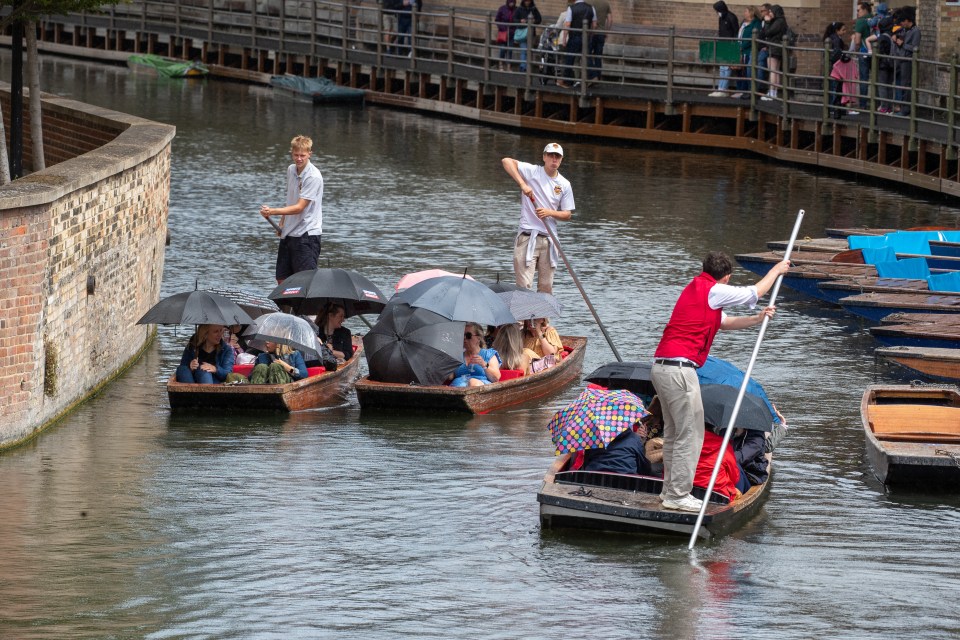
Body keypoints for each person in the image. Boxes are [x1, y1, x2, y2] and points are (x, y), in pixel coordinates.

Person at [650, 251, 789, 512]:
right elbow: (755, 292)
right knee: (690, 434)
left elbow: (723, 322)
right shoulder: (713, 290)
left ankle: (669, 490)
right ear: (726, 277)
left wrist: (757, 319)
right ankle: (678, 495)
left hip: (662, 367)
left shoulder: (695, 289)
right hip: (680, 370)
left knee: (674, 432)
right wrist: (777, 270)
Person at [501, 143, 575, 294]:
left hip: (549, 239)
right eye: (551, 155)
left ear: (561, 160)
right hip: (528, 236)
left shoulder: (565, 184)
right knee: (524, 286)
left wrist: (550, 212)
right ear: (544, 157)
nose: (554, 159)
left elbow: (567, 214)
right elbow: (506, 161)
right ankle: (522, 318)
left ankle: (543, 318)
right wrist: (522, 184)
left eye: (557, 156)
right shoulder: (532, 171)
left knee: (546, 287)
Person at [260, 134, 324, 285]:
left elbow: (300, 207)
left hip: (307, 235)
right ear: (292, 153)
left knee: (304, 282)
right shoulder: (291, 170)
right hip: (289, 232)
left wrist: (272, 211)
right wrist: (282, 223)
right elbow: (291, 199)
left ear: (310, 154)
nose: (299, 159)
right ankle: (285, 308)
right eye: (296, 155)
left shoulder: (313, 176)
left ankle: (304, 309)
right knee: (282, 279)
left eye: (303, 155)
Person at [693, 423, 743, 501]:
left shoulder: (686, 441)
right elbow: (735, 477)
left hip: (689, 491)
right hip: (718, 495)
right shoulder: (723, 444)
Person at [556, 0, 596, 88]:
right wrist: (590, 35)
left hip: (574, 36)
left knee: (569, 58)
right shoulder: (591, 8)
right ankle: (593, 76)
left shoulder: (571, 8)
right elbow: (594, 24)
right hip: (586, 36)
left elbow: (567, 24)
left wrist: (564, 39)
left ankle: (566, 80)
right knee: (586, 56)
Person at [449, 322, 502, 387]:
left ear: (479, 338)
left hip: (479, 389)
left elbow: (496, 378)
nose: (464, 338)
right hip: (457, 390)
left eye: (468, 335)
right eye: (462, 335)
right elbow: (450, 377)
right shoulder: (458, 356)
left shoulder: (488, 354)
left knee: (473, 382)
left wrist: (484, 364)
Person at [583, 427, 653, 475]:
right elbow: (644, 468)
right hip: (626, 483)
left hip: (594, 480)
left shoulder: (593, 437)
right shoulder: (634, 439)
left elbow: (586, 462)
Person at [708, 1, 740, 97]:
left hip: (729, 45)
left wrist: (734, 46)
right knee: (722, 68)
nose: (717, 12)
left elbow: (735, 32)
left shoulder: (731, 17)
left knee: (726, 68)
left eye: (717, 10)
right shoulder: (721, 18)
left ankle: (724, 89)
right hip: (722, 44)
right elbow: (721, 31)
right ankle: (720, 88)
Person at [866, 16, 897, 113]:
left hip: (883, 65)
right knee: (889, 85)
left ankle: (884, 106)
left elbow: (879, 51)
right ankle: (889, 107)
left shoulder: (882, 38)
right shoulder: (892, 37)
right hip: (892, 63)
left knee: (882, 85)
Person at [824, 22, 854, 119]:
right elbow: (837, 52)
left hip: (832, 66)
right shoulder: (836, 40)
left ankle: (835, 108)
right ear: (837, 30)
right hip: (836, 67)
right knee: (836, 87)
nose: (845, 32)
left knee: (834, 87)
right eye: (843, 30)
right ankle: (835, 108)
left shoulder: (832, 38)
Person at [758, 4, 787, 101]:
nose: (769, 13)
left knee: (772, 71)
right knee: (776, 71)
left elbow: (768, 32)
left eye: (771, 12)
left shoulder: (779, 22)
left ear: (776, 12)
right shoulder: (781, 21)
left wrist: (767, 22)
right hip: (777, 47)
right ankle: (774, 93)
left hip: (774, 47)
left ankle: (771, 93)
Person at [894, 6, 919, 117]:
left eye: (903, 22)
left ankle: (905, 109)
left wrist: (902, 44)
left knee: (906, 85)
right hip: (902, 59)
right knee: (903, 85)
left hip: (908, 60)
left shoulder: (916, 31)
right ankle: (904, 108)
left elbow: (915, 47)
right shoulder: (905, 30)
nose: (902, 24)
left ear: (908, 20)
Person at [735, 6, 762, 95]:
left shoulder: (756, 23)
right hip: (739, 49)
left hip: (748, 50)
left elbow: (752, 37)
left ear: (751, 12)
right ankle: (739, 90)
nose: (744, 13)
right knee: (738, 70)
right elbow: (739, 34)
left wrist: (742, 46)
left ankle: (744, 91)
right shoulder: (743, 22)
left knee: (745, 71)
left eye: (746, 11)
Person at [852, 2, 874, 108]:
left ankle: (863, 104)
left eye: (858, 10)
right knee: (877, 78)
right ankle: (878, 104)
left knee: (864, 78)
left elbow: (857, 41)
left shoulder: (860, 21)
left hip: (864, 51)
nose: (857, 12)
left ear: (865, 10)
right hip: (875, 52)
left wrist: (856, 51)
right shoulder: (875, 19)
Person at [512, 0, 542, 72]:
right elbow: (514, 19)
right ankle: (523, 67)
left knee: (529, 51)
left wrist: (534, 21)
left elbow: (539, 19)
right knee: (524, 50)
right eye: (526, 1)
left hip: (531, 33)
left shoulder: (534, 9)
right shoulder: (519, 9)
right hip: (522, 33)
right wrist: (520, 21)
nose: (527, 2)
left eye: (528, 1)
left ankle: (527, 67)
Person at [587, 0, 611, 80]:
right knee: (598, 56)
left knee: (587, 54)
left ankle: (593, 75)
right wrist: (606, 32)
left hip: (591, 33)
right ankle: (598, 76)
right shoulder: (606, 3)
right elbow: (610, 20)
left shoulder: (589, 3)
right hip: (601, 33)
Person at [495, 0, 517, 70]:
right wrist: (503, 28)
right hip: (503, 32)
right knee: (503, 49)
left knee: (510, 50)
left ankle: (508, 66)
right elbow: (497, 20)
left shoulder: (516, 10)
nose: (511, 4)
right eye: (510, 2)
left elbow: (517, 21)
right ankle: (501, 64)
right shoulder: (502, 8)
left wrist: (513, 30)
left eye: (513, 2)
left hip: (512, 33)